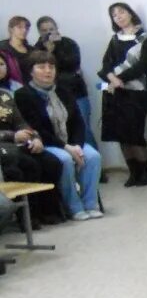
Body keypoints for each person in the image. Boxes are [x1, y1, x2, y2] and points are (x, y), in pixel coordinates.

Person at [15, 51, 103, 221]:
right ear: (31, 71)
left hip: (71, 142)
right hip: (47, 143)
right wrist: (67, 147)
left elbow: (78, 121)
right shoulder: (23, 95)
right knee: (64, 160)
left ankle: (91, 204)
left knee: (93, 156)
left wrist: (76, 144)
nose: (48, 71)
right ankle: (74, 207)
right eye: (41, 67)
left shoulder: (64, 91)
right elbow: (37, 128)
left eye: (51, 66)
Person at [98, 2, 147, 187]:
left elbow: (143, 66)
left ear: (130, 13)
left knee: (135, 134)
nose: (119, 17)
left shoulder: (145, 38)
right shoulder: (115, 39)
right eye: (115, 15)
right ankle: (134, 173)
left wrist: (119, 78)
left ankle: (146, 172)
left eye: (121, 12)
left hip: (136, 92)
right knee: (120, 134)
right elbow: (105, 63)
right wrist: (111, 78)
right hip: (113, 92)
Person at [1, 59, 63, 225]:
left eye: (1, 64)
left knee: (51, 162)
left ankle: (48, 211)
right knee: (27, 165)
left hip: (17, 142)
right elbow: (14, 132)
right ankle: (27, 218)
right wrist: (11, 136)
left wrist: (35, 138)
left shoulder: (5, 95)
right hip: (5, 145)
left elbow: (21, 122)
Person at [36, 17, 95, 152]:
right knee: (60, 129)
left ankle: (94, 165)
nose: (48, 33)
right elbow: (39, 69)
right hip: (52, 95)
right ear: (39, 32)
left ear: (57, 28)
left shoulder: (69, 43)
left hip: (76, 93)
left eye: (51, 29)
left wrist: (54, 50)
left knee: (83, 128)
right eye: (44, 30)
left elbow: (73, 64)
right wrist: (48, 52)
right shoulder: (38, 48)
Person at [0, 16, 35, 84]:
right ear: (11, 29)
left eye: (27, 28)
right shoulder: (2, 48)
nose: (24, 30)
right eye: (19, 27)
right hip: (8, 87)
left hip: (30, 88)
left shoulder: (32, 50)